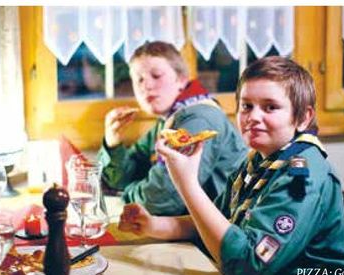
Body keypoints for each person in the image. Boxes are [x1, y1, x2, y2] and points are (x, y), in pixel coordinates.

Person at [120, 57, 344, 275]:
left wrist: (187, 184)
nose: (253, 117)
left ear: (303, 118)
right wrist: (153, 225)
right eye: (246, 106)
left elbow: (247, 266)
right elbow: (215, 223)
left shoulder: (301, 177)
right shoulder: (256, 161)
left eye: (270, 107)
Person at [97, 40, 246, 216]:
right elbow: (120, 179)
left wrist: (127, 193)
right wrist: (113, 142)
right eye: (139, 79)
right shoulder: (168, 120)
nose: (146, 86)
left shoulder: (197, 121)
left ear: (181, 80)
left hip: (218, 233)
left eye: (156, 75)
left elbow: (159, 202)